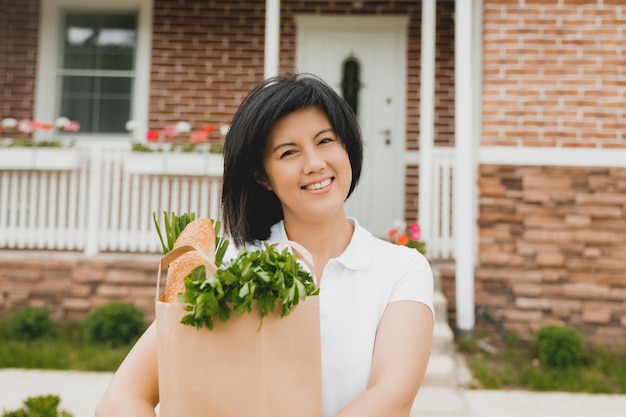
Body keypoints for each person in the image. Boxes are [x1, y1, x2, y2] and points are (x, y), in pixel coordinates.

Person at [96, 73, 434, 417]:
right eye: (289, 152)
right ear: (261, 175)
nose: (315, 163)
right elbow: (120, 399)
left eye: (325, 141)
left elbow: (391, 397)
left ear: (346, 147)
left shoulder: (400, 270)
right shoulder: (225, 264)